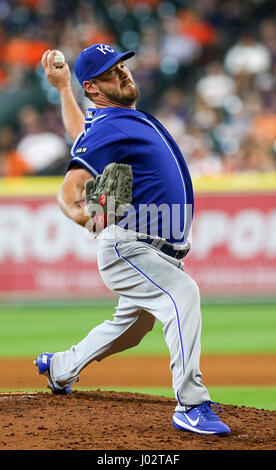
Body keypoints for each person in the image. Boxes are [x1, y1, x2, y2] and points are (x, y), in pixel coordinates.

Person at [34, 43, 230, 435]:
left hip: (153, 250)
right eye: (111, 72)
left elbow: (82, 136)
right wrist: (83, 213)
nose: (123, 73)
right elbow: (70, 189)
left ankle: (59, 367)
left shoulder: (117, 121)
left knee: (131, 327)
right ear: (93, 87)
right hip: (130, 245)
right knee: (183, 293)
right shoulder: (114, 123)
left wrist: (61, 90)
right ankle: (191, 404)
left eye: (122, 66)